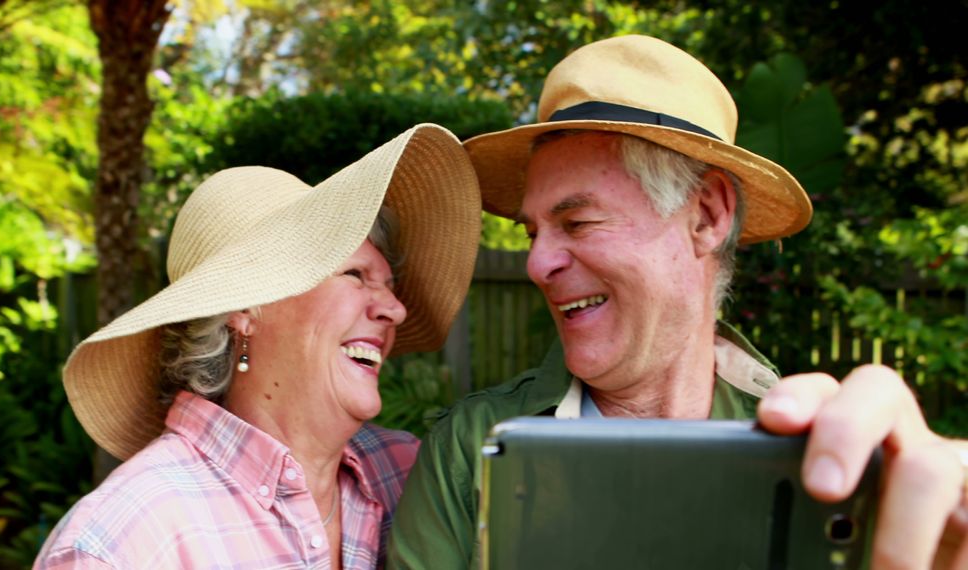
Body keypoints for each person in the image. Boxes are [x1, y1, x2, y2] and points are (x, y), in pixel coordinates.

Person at [387, 35, 968, 569]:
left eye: (579, 221)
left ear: (706, 217)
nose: (537, 265)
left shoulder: (817, 459)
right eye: (532, 233)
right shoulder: (473, 447)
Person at [34, 123, 482, 569]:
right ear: (246, 307)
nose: (396, 311)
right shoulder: (126, 544)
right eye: (355, 275)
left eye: (389, 284)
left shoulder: (409, 471)